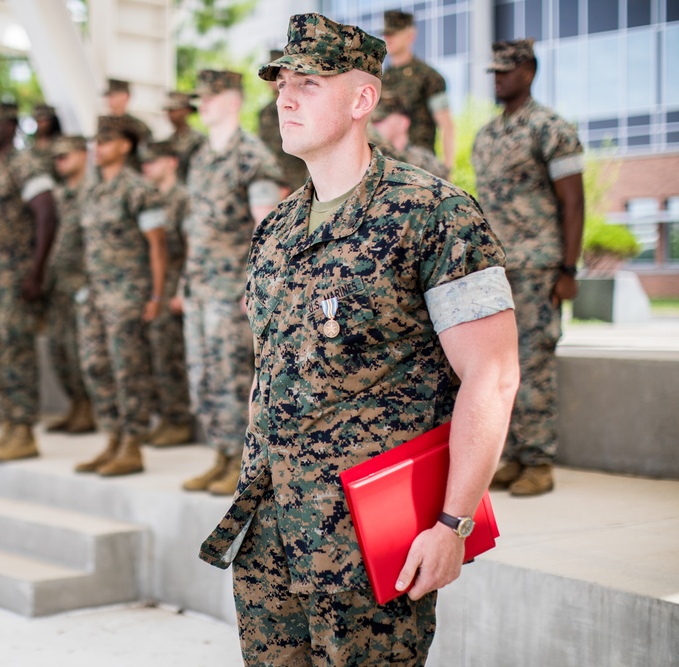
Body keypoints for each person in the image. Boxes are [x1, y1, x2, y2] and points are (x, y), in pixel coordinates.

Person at [197, 14, 519, 665]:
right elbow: (271, 372)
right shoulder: (276, 229)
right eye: (282, 81)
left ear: (362, 99)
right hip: (271, 536)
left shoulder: (435, 214)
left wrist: (453, 523)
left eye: (309, 83)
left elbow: (494, 373)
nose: (285, 97)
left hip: (371, 543)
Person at [473, 39, 585, 497]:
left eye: (507, 71)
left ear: (530, 72)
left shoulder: (552, 129)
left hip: (539, 267)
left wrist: (569, 269)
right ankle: (514, 453)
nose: (499, 78)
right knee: (499, 365)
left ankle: (539, 461)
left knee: (535, 362)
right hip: (497, 269)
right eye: (495, 72)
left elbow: (573, 201)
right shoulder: (486, 135)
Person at [179, 69, 282, 496]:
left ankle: (244, 464)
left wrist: (256, 287)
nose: (202, 103)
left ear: (234, 101)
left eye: (211, 96)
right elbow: (194, 228)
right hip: (201, 288)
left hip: (231, 291)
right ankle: (220, 453)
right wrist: (185, 283)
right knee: (204, 375)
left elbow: (267, 230)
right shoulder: (202, 157)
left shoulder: (251, 157)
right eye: (200, 97)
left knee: (234, 376)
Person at [73, 116, 167, 477]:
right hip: (96, 295)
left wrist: (156, 295)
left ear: (125, 146)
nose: (98, 147)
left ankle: (132, 444)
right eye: (96, 140)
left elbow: (157, 246)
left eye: (106, 140)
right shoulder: (93, 190)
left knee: (128, 369)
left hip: (128, 293)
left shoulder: (138, 189)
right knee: (95, 366)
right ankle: (112, 437)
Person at [0, 100, 59, 462]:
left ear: (9, 127)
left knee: (16, 350)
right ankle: (7, 426)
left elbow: (46, 215)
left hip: (15, 276)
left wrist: (36, 271)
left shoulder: (25, 165)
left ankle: (23, 432)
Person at [140, 140, 193, 447]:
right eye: (145, 163)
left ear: (171, 162)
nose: (147, 167)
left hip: (174, 280)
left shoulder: (182, 198)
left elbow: (190, 248)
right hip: (152, 282)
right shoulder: (150, 198)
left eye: (154, 161)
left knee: (168, 353)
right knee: (154, 353)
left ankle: (177, 419)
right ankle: (164, 416)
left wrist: (183, 288)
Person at [45, 134, 97, 434]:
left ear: (82, 154)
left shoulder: (91, 191)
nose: (60, 162)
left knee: (81, 350)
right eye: (56, 157)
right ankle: (75, 405)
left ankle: (88, 409)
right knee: (60, 348)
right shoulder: (61, 193)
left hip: (83, 282)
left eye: (65, 155)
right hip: (60, 284)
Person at [382, 9, 455, 174]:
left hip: (420, 165)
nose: (388, 38)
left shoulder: (428, 77)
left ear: (410, 35)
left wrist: (447, 170)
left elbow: (447, 126)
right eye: (386, 33)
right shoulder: (381, 79)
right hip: (388, 166)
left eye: (394, 33)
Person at [259, 49, 310, 193]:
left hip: (297, 179)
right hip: (273, 180)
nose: (271, 82)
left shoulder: (302, 105)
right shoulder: (266, 112)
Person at [371, 91, 449, 178]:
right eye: (373, 121)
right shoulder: (373, 159)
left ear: (402, 123)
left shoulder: (425, 163)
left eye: (380, 120)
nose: (374, 126)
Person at [104, 79, 152, 171]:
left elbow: (146, 155)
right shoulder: (104, 124)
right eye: (108, 96)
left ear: (125, 97)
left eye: (113, 96)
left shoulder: (138, 126)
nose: (109, 100)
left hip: (131, 175)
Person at [162, 91, 205, 183]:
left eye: (174, 110)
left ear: (186, 111)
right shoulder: (168, 141)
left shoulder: (200, 140)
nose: (170, 115)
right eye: (168, 111)